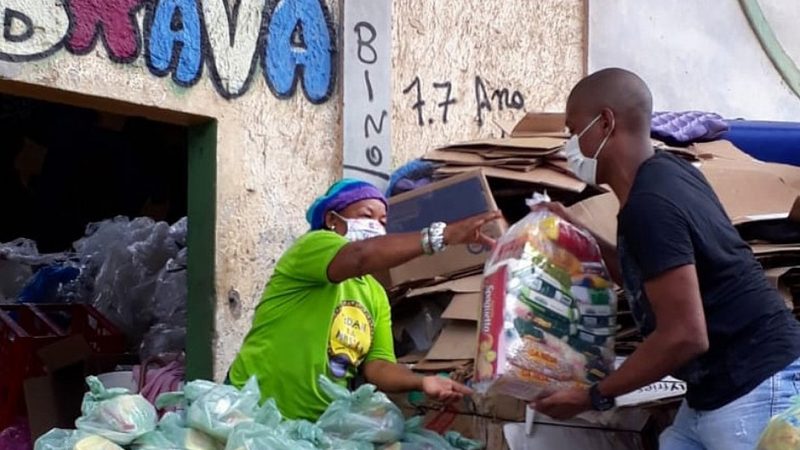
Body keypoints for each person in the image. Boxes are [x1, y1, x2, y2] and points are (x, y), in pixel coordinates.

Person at [531, 68, 800, 450]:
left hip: (754, 384)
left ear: (606, 122)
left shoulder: (649, 206)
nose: (569, 146)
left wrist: (593, 395)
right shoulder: (668, 175)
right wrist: (578, 234)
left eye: (573, 131)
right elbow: (648, 279)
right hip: (715, 390)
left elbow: (685, 335)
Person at [228, 179, 502, 421]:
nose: (376, 225)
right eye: (366, 215)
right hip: (250, 411)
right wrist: (442, 236)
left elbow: (378, 367)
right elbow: (360, 255)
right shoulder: (310, 248)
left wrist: (422, 382)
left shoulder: (375, 294)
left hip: (313, 427)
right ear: (333, 220)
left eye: (383, 221)